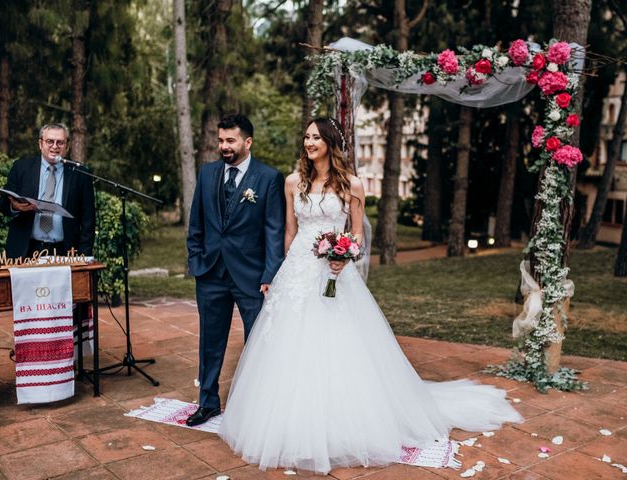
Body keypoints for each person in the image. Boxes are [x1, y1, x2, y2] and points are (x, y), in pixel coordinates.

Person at [217, 117, 523, 475]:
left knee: (337, 346)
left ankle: (340, 423)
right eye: (306, 137)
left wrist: (343, 257)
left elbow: (358, 236)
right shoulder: (292, 182)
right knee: (285, 344)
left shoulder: (352, 184)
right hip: (297, 272)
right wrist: (282, 273)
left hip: (332, 273)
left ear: (331, 142)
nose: (309, 142)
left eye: (316, 137)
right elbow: (289, 230)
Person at [186, 114, 286, 427]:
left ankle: (257, 406)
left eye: (230, 141)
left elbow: (274, 231)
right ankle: (208, 403)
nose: (224, 146)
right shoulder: (208, 173)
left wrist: (270, 275)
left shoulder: (268, 177)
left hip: (251, 276)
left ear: (247, 142)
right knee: (209, 340)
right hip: (211, 272)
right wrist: (196, 260)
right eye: (221, 140)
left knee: (257, 342)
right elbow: (196, 222)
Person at [0, 123, 95, 258]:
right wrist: (14, 207)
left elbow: (88, 221)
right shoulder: (21, 167)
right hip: (25, 251)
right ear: (40, 144)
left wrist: (84, 256)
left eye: (60, 142)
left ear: (67, 146)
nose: (54, 146)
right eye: (50, 141)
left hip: (65, 252)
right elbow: (3, 205)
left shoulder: (80, 174)